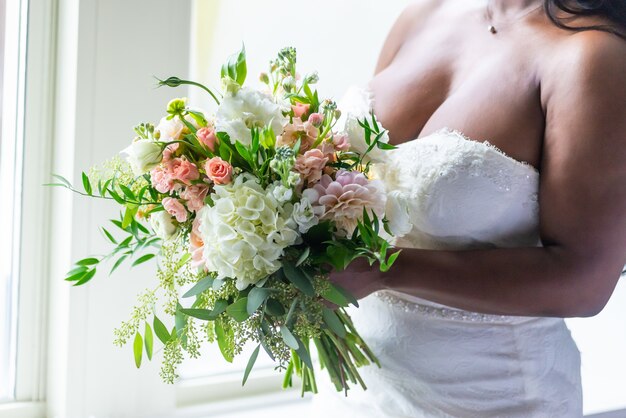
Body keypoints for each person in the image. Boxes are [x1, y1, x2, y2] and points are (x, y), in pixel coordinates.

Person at [310, 1, 626, 416]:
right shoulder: (425, 14)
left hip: (489, 397)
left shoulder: (592, 58)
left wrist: (383, 269)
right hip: (359, 386)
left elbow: (585, 282)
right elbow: (362, 181)